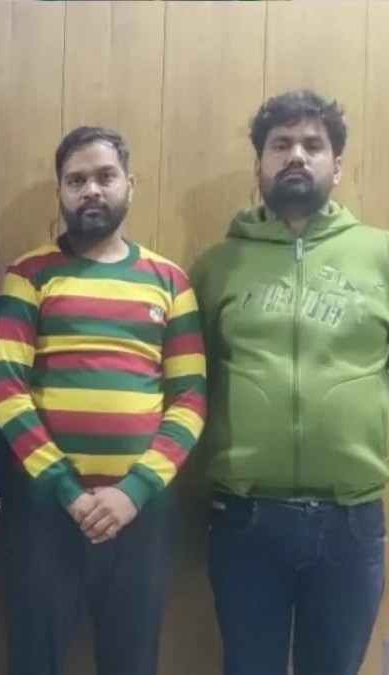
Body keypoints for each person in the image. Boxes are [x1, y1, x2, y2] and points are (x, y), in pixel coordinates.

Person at [0, 126, 206, 675]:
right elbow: (5, 389)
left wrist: (134, 491)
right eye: (76, 179)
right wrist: (67, 490)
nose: (91, 190)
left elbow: (190, 398)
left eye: (106, 177)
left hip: (142, 514)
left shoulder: (170, 281)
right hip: (45, 512)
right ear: (59, 192)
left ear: (130, 185)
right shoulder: (28, 275)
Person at [190, 89, 387, 675]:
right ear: (260, 164)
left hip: (352, 520)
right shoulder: (216, 266)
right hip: (246, 517)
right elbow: (189, 381)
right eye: (281, 144)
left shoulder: (380, 256)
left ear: (337, 165)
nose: (296, 155)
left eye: (312, 145)